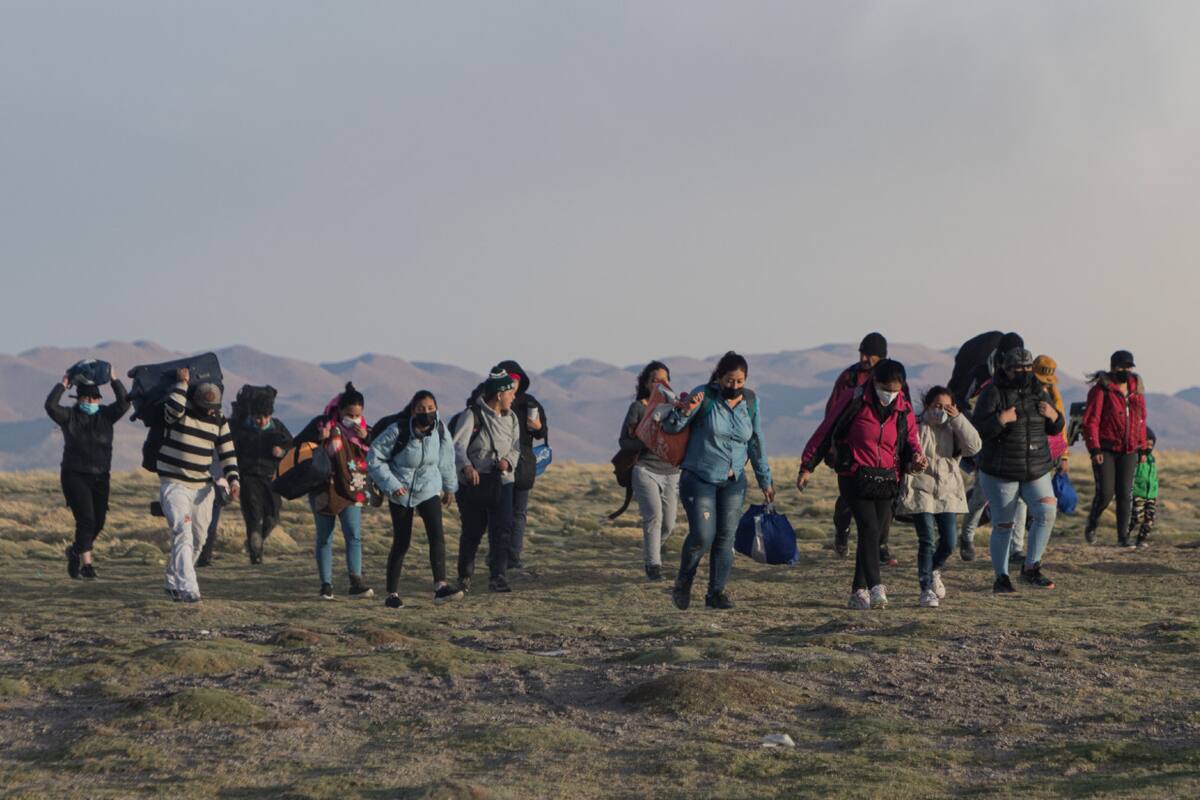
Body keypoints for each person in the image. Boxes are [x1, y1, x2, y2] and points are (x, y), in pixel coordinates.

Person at [799, 359, 926, 610]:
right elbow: (826, 430)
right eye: (885, 388)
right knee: (868, 528)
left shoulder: (904, 409)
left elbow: (910, 440)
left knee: (875, 534)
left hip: (887, 479)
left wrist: (917, 457)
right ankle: (877, 587)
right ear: (874, 382)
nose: (889, 395)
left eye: (894, 390)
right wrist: (807, 465)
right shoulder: (853, 400)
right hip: (853, 475)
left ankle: (858, 592)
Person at [665, 352, 774, 611]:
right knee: (703, 535)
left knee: (726, 537)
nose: (734, 387)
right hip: (699, 477)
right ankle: (684, 581)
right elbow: (671, 428)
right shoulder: (704, 396)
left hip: (734, 480)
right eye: (729, 381)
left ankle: (716, 593)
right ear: (719, 377)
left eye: (739, 381)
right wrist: (686, 411)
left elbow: (755, 441)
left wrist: (765, 479)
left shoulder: (750, 401)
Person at [971, 348, 1062, 593]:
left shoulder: (1039, 391)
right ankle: (1001, 577)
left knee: (1046, 512)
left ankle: (1031, 568)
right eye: (1016, 369)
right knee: (1004, 524)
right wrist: (1000, 420)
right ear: (1005, 369)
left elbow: (1056, 428)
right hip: (1000, 471)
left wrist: (1055, 416)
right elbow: (977, 431)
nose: (1021, 372)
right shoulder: (992, 392)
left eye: (1026, 368)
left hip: (1036, 467)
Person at [367, 390, 462, 607]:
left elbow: (446, 459)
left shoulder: (440, 429)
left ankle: (441, 587)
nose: (426, 413)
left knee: (436, 535)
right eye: (421, 409)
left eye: (430, 409)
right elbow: (374, 457)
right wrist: (391, 484)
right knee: (402, 542)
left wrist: (449, 488)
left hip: (428, 488)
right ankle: (392, 594)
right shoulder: (397, 431)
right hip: (400, 491)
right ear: (412, 411)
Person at [156, 368, 240, 603]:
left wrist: (234, 480)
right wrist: (182, 383)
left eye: (214, 407)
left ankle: (173, 581)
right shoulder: (179, 411)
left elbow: (228, 453)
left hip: (203, 488)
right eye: (206, 407)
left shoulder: (220, 420)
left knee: (199, 539)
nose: (210, 411)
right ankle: (189, 589)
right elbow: (172, 408)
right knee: (182, 532)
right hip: (175, 484)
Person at [896, 386, 981, 608]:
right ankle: (925, 589)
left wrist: (958, 419)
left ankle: (934, 569)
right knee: (926, 540)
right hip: (919, 488)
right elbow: (905, 450)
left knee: (949, 542)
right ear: (927, 406)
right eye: (936, 406)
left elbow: (974, 447)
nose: (940, 411)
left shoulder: (954, 427)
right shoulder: (915, 425)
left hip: (947, 491)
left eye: (946, 407)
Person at [808, 333, 888, 561]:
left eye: (868, 354)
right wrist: (831, 445)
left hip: (883, 450)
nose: (863, 357)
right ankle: (842, 532)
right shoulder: (850, 377)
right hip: (850, 449)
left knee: (885, 499)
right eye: (861, 353)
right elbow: (833, 411)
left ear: (880, 356)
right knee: (848, 497)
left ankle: (880, 546)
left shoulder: (892, 377)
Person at [45, 372, 131, 579]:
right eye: (86, 398)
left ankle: (75, 551)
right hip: (74, 475)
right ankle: (87, 566)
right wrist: (63, 384)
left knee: (99, 521)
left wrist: (114, 379)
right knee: (87, 520)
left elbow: (124, 403)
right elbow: (51, 406)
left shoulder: (106, 416)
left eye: (95, 398)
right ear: (79, 399)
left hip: (101, 476)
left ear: (100, 400)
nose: (91, 401)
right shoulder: (69, 416)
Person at [295, 383, 374, 600]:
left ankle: (356, 580)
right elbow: (298, 446)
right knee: (324, 537)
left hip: (352, 489)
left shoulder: (365, 430)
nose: (354, 419)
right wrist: (321, 439)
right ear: (339, 411)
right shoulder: (321, 424)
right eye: (350, 414)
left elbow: (376, 450)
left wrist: (366, 436)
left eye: (358, 415)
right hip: (324, 489)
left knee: (354, 535)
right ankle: (326, 584)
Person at [452, 367, 522, 594]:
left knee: (502, 529)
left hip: (503, 481)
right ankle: (464, 575)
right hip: (475, 483)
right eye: (510, 393)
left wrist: (508, 462)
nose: (513, 397)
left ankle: (498, 577)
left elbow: (516, 447)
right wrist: (467, 466)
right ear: (499, 394)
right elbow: (457, 446)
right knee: (473, 530)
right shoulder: (472, 415)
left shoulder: (512, 419)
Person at [958, 332, 1027, 561]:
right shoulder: (982, 376)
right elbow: (965, 403)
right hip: (986, 441)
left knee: (1020, 498)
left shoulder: (1025, 379)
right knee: (981, 495)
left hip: (1016, 445)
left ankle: (1016, 548)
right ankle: (967, 536)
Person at [619, 361, 681, 581]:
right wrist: (645, 442)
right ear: (646, 383)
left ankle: (651, 551)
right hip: (646, 469)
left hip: (672, 472)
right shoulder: (638, 408)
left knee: (669, 523)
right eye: (655, 380)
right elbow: (624, 442)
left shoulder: (676, 407)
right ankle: (653, 566)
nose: (660, 384)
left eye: (664, 380)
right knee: (653, 517)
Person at [1082, 350, 1150, 549]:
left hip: (1130, 450)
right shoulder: (1101, 390)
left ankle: (1123, 538)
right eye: (1122, 367)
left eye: (1129, 367)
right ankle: (1092, 524)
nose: (1126, 371)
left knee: (1124, 494)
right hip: (1105, 449)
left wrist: (1143, 448)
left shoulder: (1137, 390)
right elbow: (1091, 421)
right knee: (1105, 493)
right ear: (1113, 367)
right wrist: (1094, 449)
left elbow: (1141, 420)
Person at [497, 360, 548, 571]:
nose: (512, 383)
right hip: (498, 463)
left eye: (515, 380)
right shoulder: (491, 401)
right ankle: (498, 556)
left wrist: (537, 427)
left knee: (518, 513)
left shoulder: (530, 403)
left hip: (523, 463)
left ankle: (513, 557)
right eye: (508, 379)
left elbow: (541, 433)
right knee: (500, 513)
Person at [231, 390, 293, 564]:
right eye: (258, 417)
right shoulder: (241, 430)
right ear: (252, 415)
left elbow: (291, 447)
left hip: (272, 479)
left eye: (266, 417)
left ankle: (255, 542)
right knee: (253, 516)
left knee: (272, 518)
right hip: (249, 478)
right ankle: (255, 555)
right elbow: (232, 453)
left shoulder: (278, 428)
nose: (262, 421)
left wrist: (281, 452)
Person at [1131, 428, 1158, 549]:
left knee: (1150, 519)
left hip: (1151, 494)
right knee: (1137, 517)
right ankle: (1124, 536)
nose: (1150, 446)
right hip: (1138, 492)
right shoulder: (1135, 457)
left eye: (1152, 444)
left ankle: (1141, 540)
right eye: (1147, 443)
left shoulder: (1152, 459)